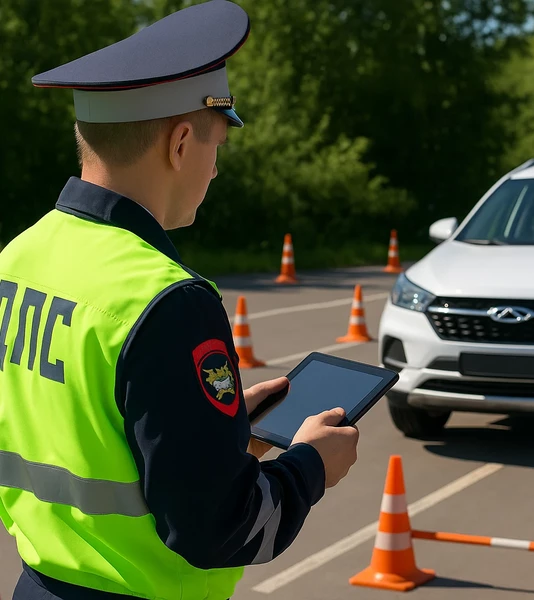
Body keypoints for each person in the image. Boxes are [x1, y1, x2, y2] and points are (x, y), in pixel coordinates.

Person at [0, 2, 359, 599]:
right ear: (181, 142)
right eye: (217, 144)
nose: (215, 170)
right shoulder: (169, 300)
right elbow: (221, 527)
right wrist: (311, 467)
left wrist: (215, 431)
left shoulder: (18, 257)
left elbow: (85, 431)